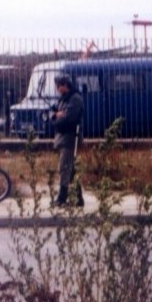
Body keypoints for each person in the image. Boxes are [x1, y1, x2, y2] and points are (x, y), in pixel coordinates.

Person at [51, 74, 84, 206]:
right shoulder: (64, 99)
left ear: (65, 85)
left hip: (70, 137)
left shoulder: (75, 99)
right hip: (62, 136)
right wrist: (57, 116)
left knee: (64, 167)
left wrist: (57, 119)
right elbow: (55, 115)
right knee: (70, 169)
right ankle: (78, 198)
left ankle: (62, 198)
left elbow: (68, 119)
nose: (57, 89)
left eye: (58, 86)